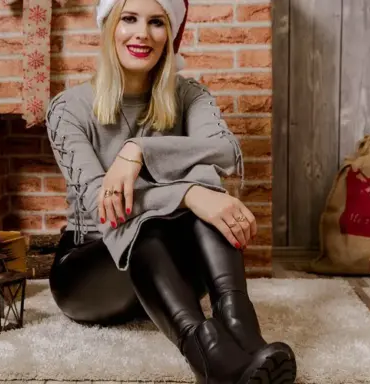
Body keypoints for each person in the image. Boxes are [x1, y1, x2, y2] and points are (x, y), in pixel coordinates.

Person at [45, 0, 297, 383]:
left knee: (202, 178)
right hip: (89, 273)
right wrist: (190, 195)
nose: (142, 33)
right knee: (160, 214)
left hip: (167, 275)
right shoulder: (67, 109)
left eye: (156, 22)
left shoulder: (188, 95)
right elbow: (105, 207)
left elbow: (226, 151)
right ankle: (207, 357)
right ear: (109, 26)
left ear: (170, 35)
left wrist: (140, 152)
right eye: (129, 19)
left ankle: (241, 329)